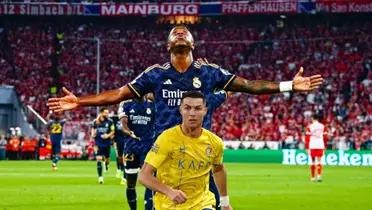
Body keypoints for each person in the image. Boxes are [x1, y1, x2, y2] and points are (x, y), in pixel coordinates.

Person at [47, 25, 323, 207]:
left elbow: (249, 86)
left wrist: (288, 85)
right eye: (175, 32)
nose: (180, 33)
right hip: (164, 157)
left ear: (193, 43)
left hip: (200, 158)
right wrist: (80, 101)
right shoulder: (155, 74)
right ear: (168, 44)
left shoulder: (209, 72)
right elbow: (117, 94)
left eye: (184, 32)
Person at [139, 91, 232, 210]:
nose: (192, 113)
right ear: (181, 110)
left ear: (205, 111)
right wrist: (169, 192)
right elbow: (144, 176)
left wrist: (225, 202)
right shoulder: (166, 139)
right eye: (187, 108)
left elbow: (218, 170)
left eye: (198, 108)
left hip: (202, 204)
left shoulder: (215, 142)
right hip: (168, 205)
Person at [118, 93, 155, 210]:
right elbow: (123, 124)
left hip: (148, 148)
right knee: (131, 184)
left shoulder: (153, 105)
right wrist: (128, 131)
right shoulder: (126, 104)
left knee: (150, 181)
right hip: (131, 148)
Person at [91, 107, 115, 184]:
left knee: (107, 159)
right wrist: (93, 134)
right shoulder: (95, 121)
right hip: (98, 143)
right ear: (101, 113)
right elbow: (93, 129)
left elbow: (113, 131)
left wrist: (107, 135)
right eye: (106, 113)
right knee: (99, 159)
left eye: (107, 113)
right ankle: (100, 177)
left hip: (107, 143)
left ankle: (106, 164)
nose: (107, 114)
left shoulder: (110, 121)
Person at [305, 113, 328, 182]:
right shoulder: (323, 126)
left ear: (312, 118)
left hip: (312, 145)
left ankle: (312, 177)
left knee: (312, 161)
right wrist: (325, 146)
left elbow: (307, 138)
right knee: (319, 160)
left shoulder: (310, 126)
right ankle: (319, 176)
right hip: (320, 144)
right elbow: (325, 137)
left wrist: (307, 147)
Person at [111, 115, 127, 184]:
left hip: (126, 141)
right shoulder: (114, 119)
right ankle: (119, 169)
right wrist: (113, 140)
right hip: (118, 141)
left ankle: (124, 177)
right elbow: (113, 130)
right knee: (119, 157)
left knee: (125, 158)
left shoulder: (128, 117)